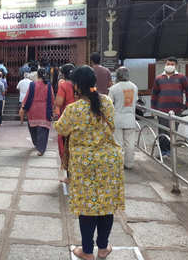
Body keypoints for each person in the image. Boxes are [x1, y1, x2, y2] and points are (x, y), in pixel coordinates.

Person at [54, 66, 125, 260]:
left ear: (76, 85)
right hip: (109, 161)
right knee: (105, 205)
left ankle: (86, 251)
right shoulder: (107, 102)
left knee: (87, 207)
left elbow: (60, 128)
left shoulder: (74, 109)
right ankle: (103, 248)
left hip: (84, 163)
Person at [151, 57, 188, 157]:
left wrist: (187, 105)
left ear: (176, 65)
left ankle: (170, 151)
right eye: (168, 64)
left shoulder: (181, 77)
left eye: (172, 64)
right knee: (162, 130)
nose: (170, 66)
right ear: (165, 64)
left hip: (176, 110)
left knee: (173, 130)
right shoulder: (159, 78)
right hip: (162, 109)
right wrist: (153, 109)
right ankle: (163, 151)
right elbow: (154, 94)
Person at [19, 68, 55, 156]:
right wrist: (52, 109)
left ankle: (36, 143)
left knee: (33, 128)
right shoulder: (48, 85)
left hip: (33, 110)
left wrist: (23, 107)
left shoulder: (32, 84)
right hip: (44, 110)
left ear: (37, 75)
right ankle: (41, 149)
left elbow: (27, 97)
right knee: (43, 130)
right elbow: (52, 98)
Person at [109, 67, 138, 169]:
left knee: (118, 143)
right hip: (130, 118)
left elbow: (109, 103)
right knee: (130, 143)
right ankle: (129, 163)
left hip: (117, 118)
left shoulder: (114, 88)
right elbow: (135, 100)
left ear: (117, 75)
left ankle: (119, 164)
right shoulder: (134, 87)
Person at [55, 63, 77, 182]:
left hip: (67, 118)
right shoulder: (78, 84)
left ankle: (69, 176)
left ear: (63, 74)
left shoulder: (64, 85)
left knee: (66, 147)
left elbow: (59, 102)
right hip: (79, 117)